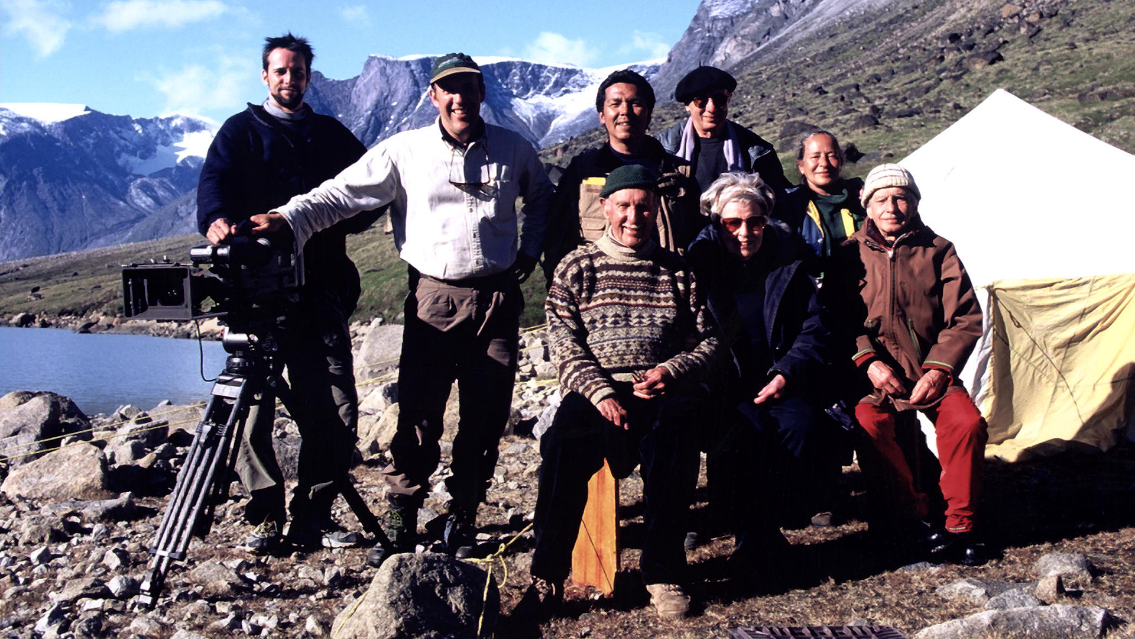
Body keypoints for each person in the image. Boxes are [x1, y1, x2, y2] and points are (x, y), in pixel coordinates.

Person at [245, 53, 554, 561]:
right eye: (448, 89)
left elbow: (542, 199)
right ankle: (402, 520)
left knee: (485, 416)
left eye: (469, 88)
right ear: (433, 96)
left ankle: (464, 516)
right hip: (433, 298)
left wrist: (530, 250)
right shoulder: (403, 151)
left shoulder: (514, 148)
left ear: (482, 94)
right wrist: (286, 217)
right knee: (417, 416)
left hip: (499, 300)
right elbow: (339, 195)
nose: (459, 98)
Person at [197, 33, 376, 552]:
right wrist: (215, 222)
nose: (289, 80)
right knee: (250, 403)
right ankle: (264, 509)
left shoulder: (331, 134)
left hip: (321, 286)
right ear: (264, 76)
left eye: (298, 72)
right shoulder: (238, 132)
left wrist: (344, 223)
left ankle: (314, 509)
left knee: (336, 398)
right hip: (256, 291)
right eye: (280, 71)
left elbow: (369, 189)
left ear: (308, 77)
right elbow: (213, 188)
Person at [521, 165, 719, 621]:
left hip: (659, 389)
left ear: (657, 209)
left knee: (677, 436)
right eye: (624, 205)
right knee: (563, 444)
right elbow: (563, 340)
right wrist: (598, 391)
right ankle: (547, 575)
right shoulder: (577, 266)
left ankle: (664, 573)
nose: (634, 215)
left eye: (644, 206)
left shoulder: (678, 270)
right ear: (606, 207)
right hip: (597, 391)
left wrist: (672, 369)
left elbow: (709, 340)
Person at [685, 172, 830, 578]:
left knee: (800, 425)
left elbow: (812, 329)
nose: (745, 232)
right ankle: (756, 535)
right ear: (718, 225)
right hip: (722, 384)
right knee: (741, 434)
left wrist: (785, 373)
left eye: (755, 222)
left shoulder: (789, 264)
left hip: (780, 379)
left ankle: (766, 529)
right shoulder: (699, 269)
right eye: (733, 223)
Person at [844, 164, 988, 565]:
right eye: (881, 199)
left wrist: (940, 369)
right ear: (866, 206)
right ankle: (912, 518)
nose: (892, 207)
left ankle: (961, 526)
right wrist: (868, 361)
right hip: (874, 376)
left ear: (915, 202)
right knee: (871, 425)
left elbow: (965, 317)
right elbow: (838, 319)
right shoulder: (847, 253)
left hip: (930, 368)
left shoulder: (938, 250)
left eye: (901, 197)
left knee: (966, 424)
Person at [774, 129, 868, 527]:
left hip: (861, 312)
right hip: (812, 314)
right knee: (817, 400)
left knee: (856, 399)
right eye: (814, 157)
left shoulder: (862, 200)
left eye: (830, 155)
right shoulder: (789, 205)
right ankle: (813, 491)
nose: (823, 163)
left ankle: (849, 487)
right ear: (799, 165)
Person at [541, 69, 702, 283]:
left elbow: (697, 238)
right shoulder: (582, 172)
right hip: (599, 293)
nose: (625, 111)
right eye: (615, 104)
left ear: (649, 114)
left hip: (665, 292)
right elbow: (557, 238)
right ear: (601, 115)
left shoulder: (678, 173)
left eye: (635, 103)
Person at [658, 66, 790, 195]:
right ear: (687, 105)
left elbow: (779, 200)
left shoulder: (757, 151)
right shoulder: (661, 149)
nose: (711, 107)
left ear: (729, 99)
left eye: (719, 100)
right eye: (701, 101)